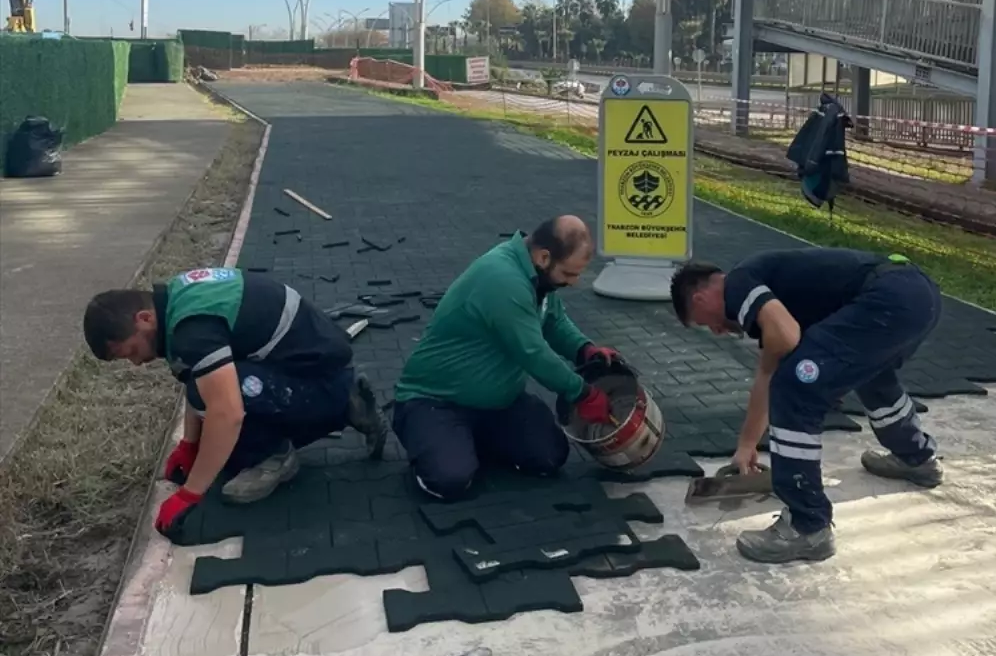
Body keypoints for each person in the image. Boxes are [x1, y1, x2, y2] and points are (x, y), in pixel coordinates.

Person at [671, 246, 943, 564]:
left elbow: (784, 341)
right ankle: (916, 458)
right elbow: (769, 370)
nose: (718, 331)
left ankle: (807, 525)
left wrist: (784, 371)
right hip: (915, 294)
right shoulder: (771, 289)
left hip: (888, 297)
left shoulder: (738, 283)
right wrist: (747, 444)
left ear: (700, 299)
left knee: (794, 387)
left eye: (706, 324)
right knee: (872, 377)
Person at [83, 267, 384, 538]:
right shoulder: (180, 297)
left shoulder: (191, 329)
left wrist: (189, 495)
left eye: (130, 352)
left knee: (220, 416)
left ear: (144, 319)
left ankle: (276, 455)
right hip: (311, 369)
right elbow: (198, 374)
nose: (136, 363)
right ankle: (347, 401)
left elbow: (227, 413)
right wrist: (190, 445)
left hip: (319, 383)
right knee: (210, 414)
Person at [392, 217, 622, 499]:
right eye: (569, 274)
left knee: (549, 457)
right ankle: (434, 439)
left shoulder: (536, 274)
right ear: (544, 257)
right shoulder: (503, 279)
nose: (573, 283)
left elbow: (554, 321)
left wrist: (584, 349)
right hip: (435, 401)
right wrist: (583, 393)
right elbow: (533, 353)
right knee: (449, 480)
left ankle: (465, 441)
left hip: (497, 405)